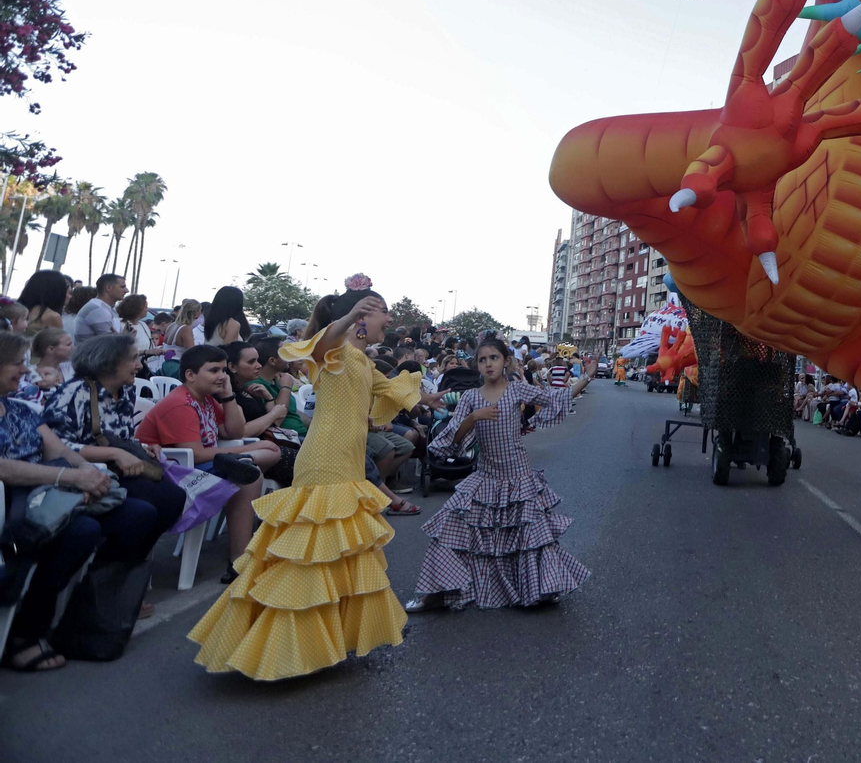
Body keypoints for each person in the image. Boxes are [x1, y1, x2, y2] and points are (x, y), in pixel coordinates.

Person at [186, 276, 444, 680]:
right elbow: (321, 346)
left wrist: (424, 397)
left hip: (345, 462)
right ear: (360, 317)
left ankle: (328, 639)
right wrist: (345, 320)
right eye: (382, 312)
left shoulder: (362, 360)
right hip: (324, 461)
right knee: (310, 554)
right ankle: (282, 646)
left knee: (338, 551)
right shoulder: (337, 351)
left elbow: (392, 391)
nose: (389, 320)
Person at [0, 333, 173, 672]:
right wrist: (67, 478)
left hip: (49, 491)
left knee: (139, 514)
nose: (27, 369)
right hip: (14, 499)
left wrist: (87, 473)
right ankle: (25, 631)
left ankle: (88, 616)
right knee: (81, 531)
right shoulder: (73, 394)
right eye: (18, 362)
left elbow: (60, 450)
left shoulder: (20, 409)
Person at [408, 337, 595, 611]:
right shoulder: (471, 397)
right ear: (478, 365)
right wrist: (474, 418)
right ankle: (436, 593)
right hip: (485, 476)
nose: (488, 364)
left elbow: (559, 397)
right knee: (451, 528)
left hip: (519, 477)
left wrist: (588, 377)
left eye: (493, 358)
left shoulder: (518, 389)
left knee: (531, 535)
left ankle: (543, 586)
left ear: (505, 361)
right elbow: (454, 441)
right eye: (482, 360)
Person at [136, 344, 278, 573]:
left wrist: (229, 396)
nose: (222, 376)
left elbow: (234, 432)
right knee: (251, 476)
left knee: (263, 461)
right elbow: (195, 453)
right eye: (214, 370)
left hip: (199, 464)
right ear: (190, 375)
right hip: (175, 473)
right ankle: (239, 560)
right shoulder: (180, 402)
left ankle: (241, 462)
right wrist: (239, 451)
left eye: (224, 370)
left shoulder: (207, 399)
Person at [72, 273, 126, 340]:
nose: (126, 290)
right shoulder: (98, 310)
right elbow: (111, 344)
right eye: (122, 287)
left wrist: (125, 336)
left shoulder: (105, 308)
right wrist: (126, 339)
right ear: (108, 288)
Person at [16, 269, 70, 334]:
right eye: (68, 292)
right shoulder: (52, 316)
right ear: (57, 293)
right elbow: (58, 342)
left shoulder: (18, 309)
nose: (70, 296)